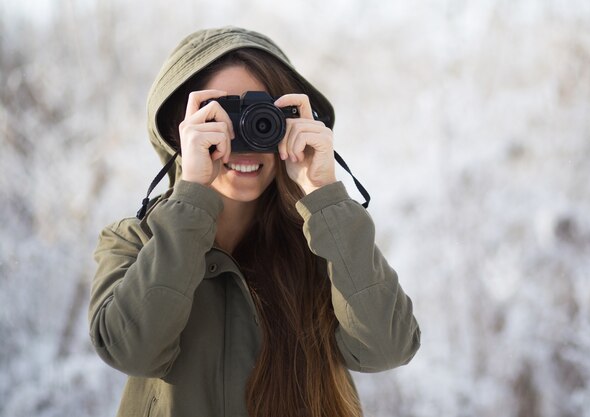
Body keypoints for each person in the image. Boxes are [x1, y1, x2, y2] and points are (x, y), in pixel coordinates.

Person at [88, 26, 420, 417]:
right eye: (224, 117)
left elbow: (388, 347)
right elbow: (131, 350)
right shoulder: (134, 240)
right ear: (183, 129)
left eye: (264, 117)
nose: (245, 136)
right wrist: (192, 189)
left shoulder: (323, 242)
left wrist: (324, 193)